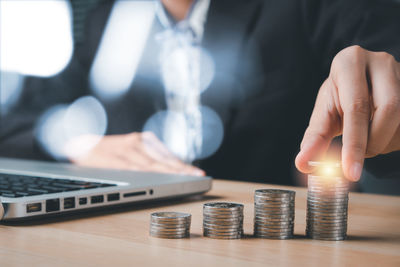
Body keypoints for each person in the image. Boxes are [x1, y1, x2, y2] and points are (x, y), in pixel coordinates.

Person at [0, 0, 399, 189]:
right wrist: (75, 142)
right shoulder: (105, 18)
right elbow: (19, 115)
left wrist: (384, 95)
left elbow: (382, 70)